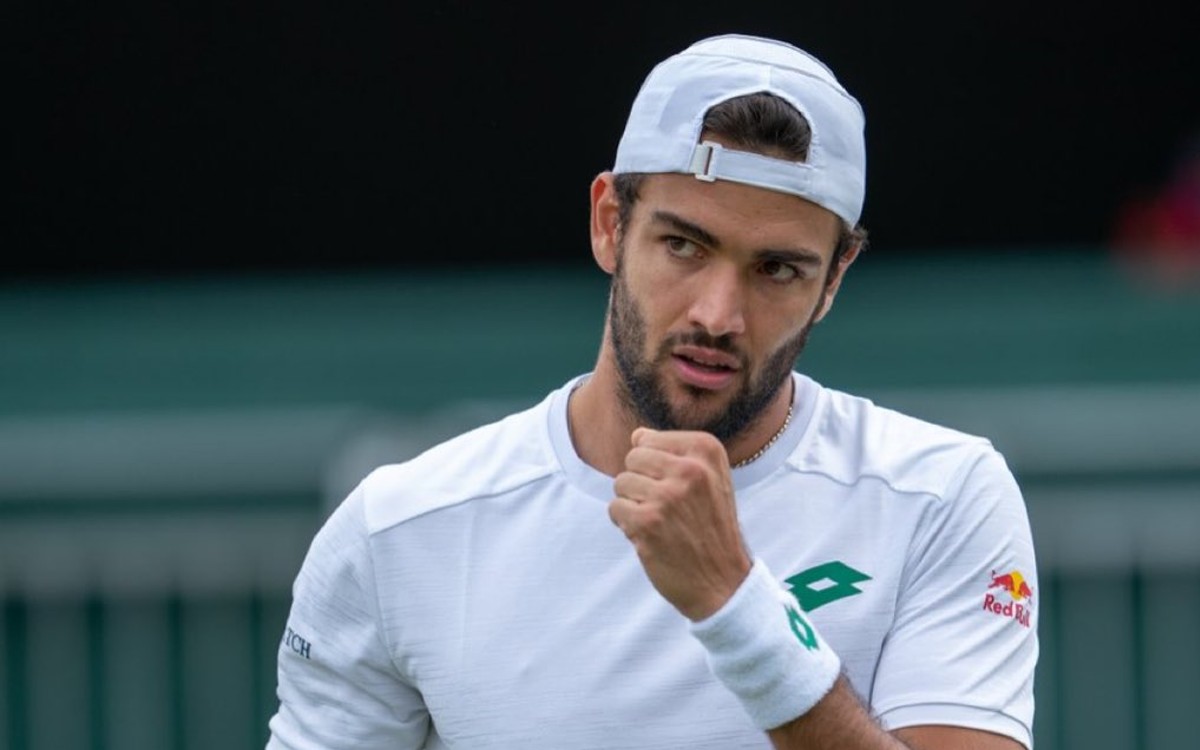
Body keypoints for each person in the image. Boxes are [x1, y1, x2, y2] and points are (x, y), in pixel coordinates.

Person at [265, 33, 1038, 750]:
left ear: (834, 279)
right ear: (609, 223)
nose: (718, 314)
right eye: (683, 246)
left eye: (778, 269)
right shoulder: (399, 527)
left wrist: (736, 604)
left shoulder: (944, 496)